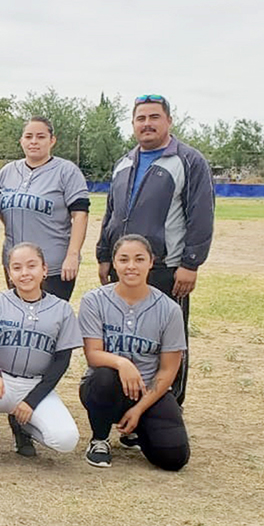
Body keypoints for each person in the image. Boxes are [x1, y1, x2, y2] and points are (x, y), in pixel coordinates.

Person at [98, 94, 214, 405]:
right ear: (133, 124)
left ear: (169, 121)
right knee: (124, 337)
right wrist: (104, 254)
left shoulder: (189, 161)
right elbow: (111, 212)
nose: (147, 124)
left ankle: (167, 406)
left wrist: (191, 263)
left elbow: (201, 215)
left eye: (154, 117)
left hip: (166, 268)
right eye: (141, 118)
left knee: (167, 339)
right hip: (123, 268)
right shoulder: (124, 162)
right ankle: (126, 405)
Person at [0, 243, 82, 472]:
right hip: (1, 380)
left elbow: (61, 362)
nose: (24, 273)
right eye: (16, 267)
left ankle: (23, 426)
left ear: (44, 269)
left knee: (66, 441)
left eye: (31, 265)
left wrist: (32, 400)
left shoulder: (62, 309)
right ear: (9, 273)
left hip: (36, 383)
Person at [79, 234, 189, 471]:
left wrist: (140, 409)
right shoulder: (94, 300)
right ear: (114, 263)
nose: (131, 266)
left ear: (151, 262)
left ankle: (136, 428)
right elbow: (93, 354)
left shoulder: (168, 309)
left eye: (139, 259)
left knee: (174, 457)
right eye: (124, 259)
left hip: (148, 391)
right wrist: (122, 363)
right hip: (107, 387)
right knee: (104, 377)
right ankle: (100, 439)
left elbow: (169, 369)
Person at [0, 116, 90, 301]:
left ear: (52, 140)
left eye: (40, 136)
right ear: (21, 140)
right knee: (18, 316)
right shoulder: (8, 172)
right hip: (15, 263)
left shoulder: (66, 171)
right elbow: (0, 208)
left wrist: (72, 255)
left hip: (54, 264)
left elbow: (80, 215)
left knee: (49, 321)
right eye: (28, 136)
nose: (34, 142)